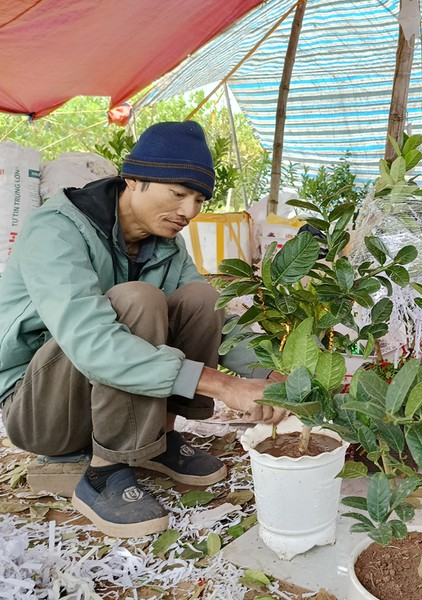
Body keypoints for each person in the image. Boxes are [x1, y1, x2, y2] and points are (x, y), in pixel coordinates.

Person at [0, 121, 287, 538]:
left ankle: (159, 439)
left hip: (98, 397)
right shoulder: (56, 229)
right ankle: (102, 473)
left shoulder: (165, 245)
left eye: (198, 199)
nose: (189, 212)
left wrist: (272, 375)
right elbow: (94, 344)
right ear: (133, 180)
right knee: (137, 299)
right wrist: (223, 386)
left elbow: (216, 319)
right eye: (178, 194)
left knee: (202, 298)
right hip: (40, 409)